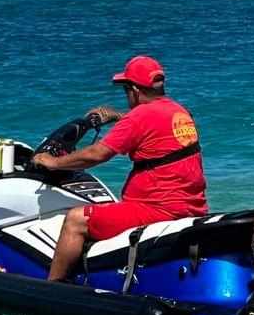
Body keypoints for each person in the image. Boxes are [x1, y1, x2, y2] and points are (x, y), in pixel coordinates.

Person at [32, 55, 207, 282]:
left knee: (76, 219)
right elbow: (152, 126)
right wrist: (118, 116)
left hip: (158, 210)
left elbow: (97, 154)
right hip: (190, 207)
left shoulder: (138, 118)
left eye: (126, 90)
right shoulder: (179, 112)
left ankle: (51, 289)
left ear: (134, 90)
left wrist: (52, 161)